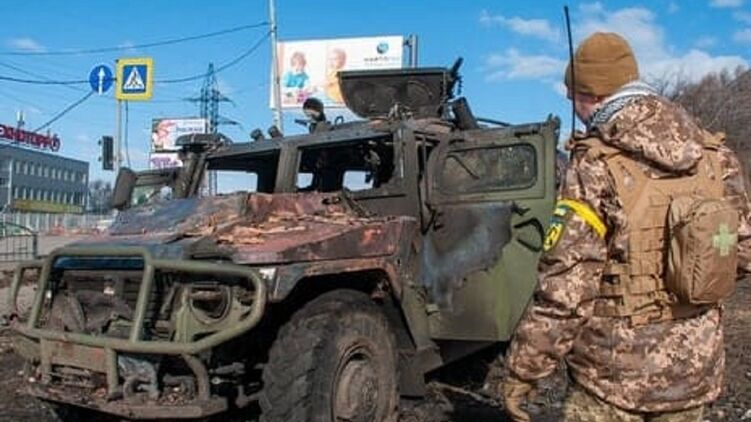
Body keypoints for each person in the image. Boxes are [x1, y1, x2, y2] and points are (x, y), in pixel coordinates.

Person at [501, 32, 751, 422]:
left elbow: (567, 290)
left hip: (611, 380)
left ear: (594, 95)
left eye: (574, 95)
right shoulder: (716, 157)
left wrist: (524, 369)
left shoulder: (594, 165)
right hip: (694, 372)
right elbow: (742, 254)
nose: (572, 102)